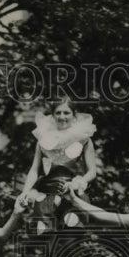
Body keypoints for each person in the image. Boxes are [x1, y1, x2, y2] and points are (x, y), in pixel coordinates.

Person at [19, 98, 98, 242]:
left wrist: (78, 182)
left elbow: (92, 171)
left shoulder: (84, 139)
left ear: (74, 116)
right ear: (53, 116)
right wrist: (25, 191)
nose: (62, 116)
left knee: (72, 236)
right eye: (58, 113)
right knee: (45, 237)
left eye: (66, 113)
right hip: (47, 193)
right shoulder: (43, 139)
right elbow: (34, 170)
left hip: (73, 192)